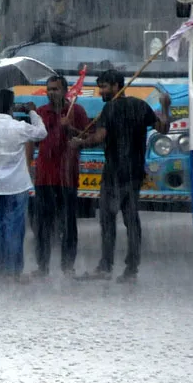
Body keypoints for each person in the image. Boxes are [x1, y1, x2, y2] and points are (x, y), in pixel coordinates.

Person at [70, 68, 170, 282]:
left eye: (104, 87)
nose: (100, 92)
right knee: (131, 221)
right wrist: (165, 107)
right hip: (134, 174)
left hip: (114, 173)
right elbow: (163, 128)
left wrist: (80, 143)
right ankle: (131, 269)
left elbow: (99, 137)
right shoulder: (140, 106)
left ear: (117, 86)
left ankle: (106, 266)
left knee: (107, 220)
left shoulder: (111, 108)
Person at [0, 89, 47, 277]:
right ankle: (14, 270)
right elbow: (42, 133)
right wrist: (32, 112)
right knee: (14, 227)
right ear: (11, 107)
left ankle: (0, 267)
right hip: (16, 186)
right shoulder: (19, 127)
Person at [31, 74, 89, 276]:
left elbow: (88, 138)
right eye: (49, 89)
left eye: (55, 89)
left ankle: (67, 266)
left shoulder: (77, 111)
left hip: (67, 176)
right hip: (44, 176)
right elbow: (34, 140)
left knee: (68, 223)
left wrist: (69, 128)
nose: (51, 93)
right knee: (42, 224)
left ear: (65, 91)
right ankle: (42, 266)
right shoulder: (40, 112)